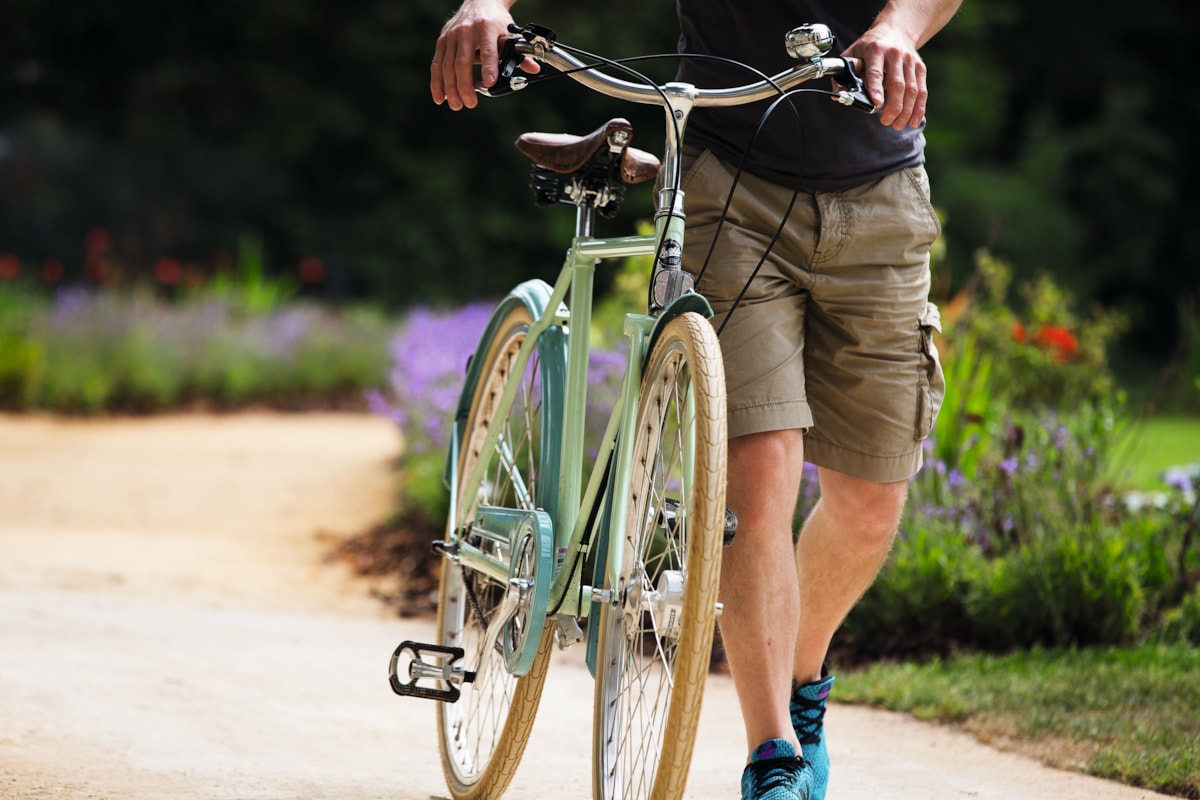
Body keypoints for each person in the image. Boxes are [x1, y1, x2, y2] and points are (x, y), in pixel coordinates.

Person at [431, 2, 958, 799]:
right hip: (728, 184)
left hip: (880, 186)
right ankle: (773, 754)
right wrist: (488, 4)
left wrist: (899, 28)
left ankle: (799, 678)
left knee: (872, 500)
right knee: (758, 471)